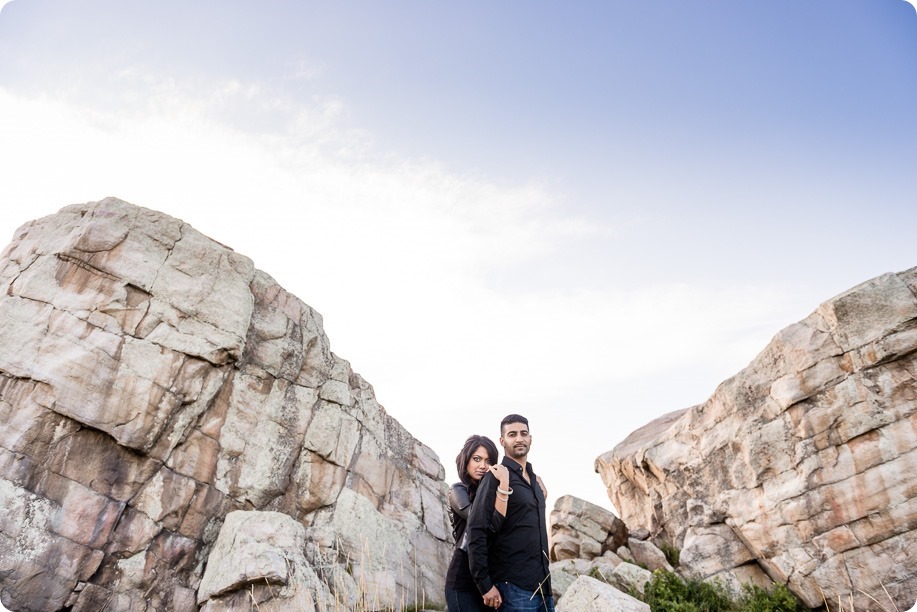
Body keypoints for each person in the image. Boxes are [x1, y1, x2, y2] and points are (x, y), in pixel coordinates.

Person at [467, 414, 553, 611]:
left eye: (524, 433)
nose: (519, 438)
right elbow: (476, 530)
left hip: (543, 587)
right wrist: (485, 584)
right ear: (502, 441)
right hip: (513, 588)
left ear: (531, 438)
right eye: (512, 434)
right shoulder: (496, 476)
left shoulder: (535, 481)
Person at [445, 435, 511, 611]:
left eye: (488, 461)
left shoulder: (491, 493)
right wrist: (504, 486)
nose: (483, 466)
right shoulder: (458, 490)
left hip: (489, 577)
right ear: (466, 461)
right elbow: (490, 524)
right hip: (463, 580)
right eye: (477, 459)